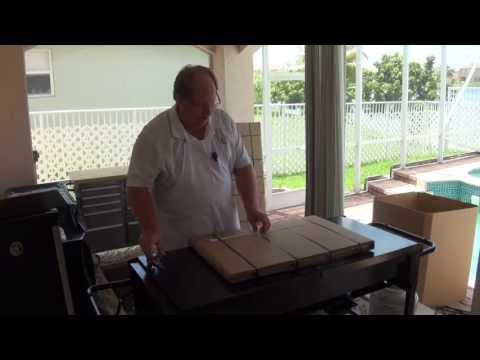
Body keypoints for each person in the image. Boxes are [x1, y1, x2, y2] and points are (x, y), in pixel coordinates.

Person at [127, 65, 271, 261]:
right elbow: (138, 187)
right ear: (179, 99)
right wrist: (150, 229)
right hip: (180, 246)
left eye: (213, 102)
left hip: (227, 236)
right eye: (200, 104)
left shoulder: (223, 122)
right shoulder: (154, 136)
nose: (208, 112)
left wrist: (253, 208)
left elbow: (243, 166)